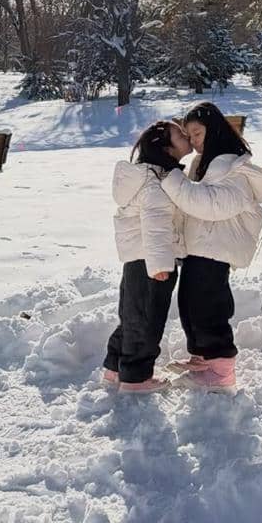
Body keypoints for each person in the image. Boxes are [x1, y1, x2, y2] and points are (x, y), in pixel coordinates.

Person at [158, 102, 262, 391]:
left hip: (216, 248)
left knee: (209, 306)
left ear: (215, 129)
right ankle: (202, 356)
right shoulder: (206, 164)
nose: (194, 142)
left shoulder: (234, 168)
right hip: (200, 247)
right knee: (190, 303)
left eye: (197, 134)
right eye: (189, 135)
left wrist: (173, 179)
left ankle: (221, 368)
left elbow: (210, 206)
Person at [102, 119, 191, 393]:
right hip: (152, 261)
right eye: (180, 134)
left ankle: (115, 367)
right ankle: (136, 378)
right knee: (147, 318)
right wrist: (161, 266)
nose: (186, 136)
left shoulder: (145, 176)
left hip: (138, 258)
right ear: (164, 147)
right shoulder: (155, 182)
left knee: (131, 315)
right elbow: (155, 225)